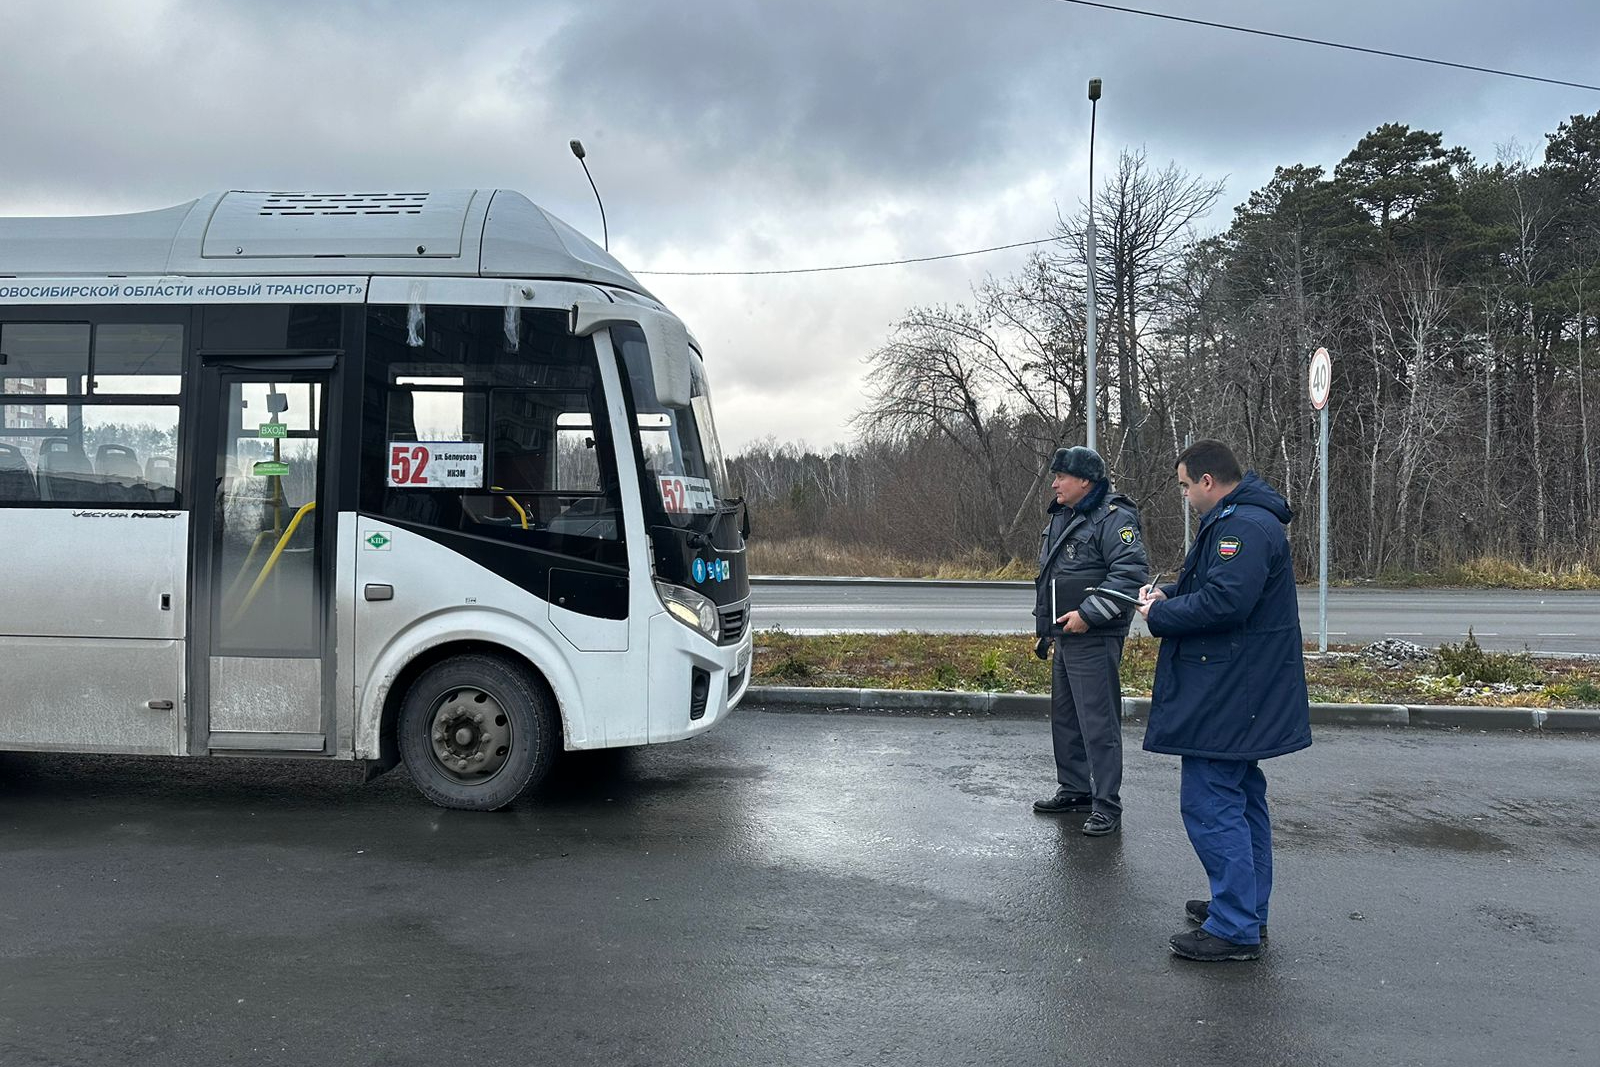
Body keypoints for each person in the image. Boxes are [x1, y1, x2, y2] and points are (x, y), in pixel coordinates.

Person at [1136, 439, 1311, 962]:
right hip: (1240, 687)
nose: (1187, 496)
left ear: (1208, 481)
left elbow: (1227, 601)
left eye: (1187, 486)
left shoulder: (1243, 527)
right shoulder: (1243, 520)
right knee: (1240, 798)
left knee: (1211, 803)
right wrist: (1170, 590)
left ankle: (1234, 925)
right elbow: (1215, 584)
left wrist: (1160, 617)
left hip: (1231, 691)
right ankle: (1244, 908)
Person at [1032, 445, 1149, 836]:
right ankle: (1076, 790)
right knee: (1066, 721)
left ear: (1085, 480)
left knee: (1098, 724)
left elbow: (1130, 574)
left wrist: (1088, 614)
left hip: (1095, 635)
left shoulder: (1114, 518)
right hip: (1066, 634)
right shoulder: (1064, 514)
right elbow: (1052, 577)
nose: (1054, 483)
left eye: (1060, 476)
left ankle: (1106, 804)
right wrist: (1049, 629)